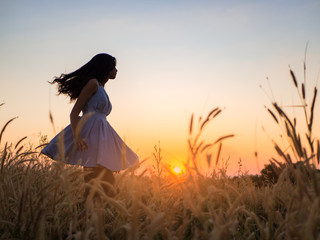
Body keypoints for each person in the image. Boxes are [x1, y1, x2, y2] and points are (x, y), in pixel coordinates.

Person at [42, 53, 139, 199]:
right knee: (96, 188)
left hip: (101, 138)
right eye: (114, 67)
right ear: (105, 68)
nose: (116, 71)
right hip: (91, 139)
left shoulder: (100, 87)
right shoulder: (92, 84)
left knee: (105, 190)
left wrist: (112, 160)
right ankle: (86, 220)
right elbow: (74, 113)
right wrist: (77, 136)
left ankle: (87, 220)